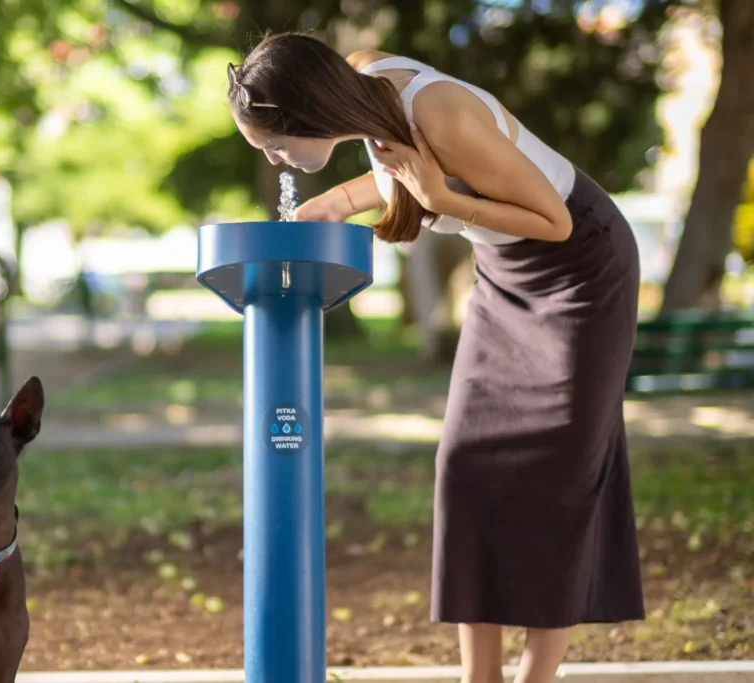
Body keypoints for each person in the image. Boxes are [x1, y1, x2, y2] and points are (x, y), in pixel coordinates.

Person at [227, 32, 645, 683]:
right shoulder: (365, 84)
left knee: (556, 482)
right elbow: (397, 171)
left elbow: (553, 221)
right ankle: (479, 677)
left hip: (580, 270)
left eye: (277, 144)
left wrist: (442, 201)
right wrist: (336, 204)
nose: (277, 160)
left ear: (312, 112)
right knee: (466, 464)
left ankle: (535, 677)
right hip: (504, 270)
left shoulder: (440, 113)